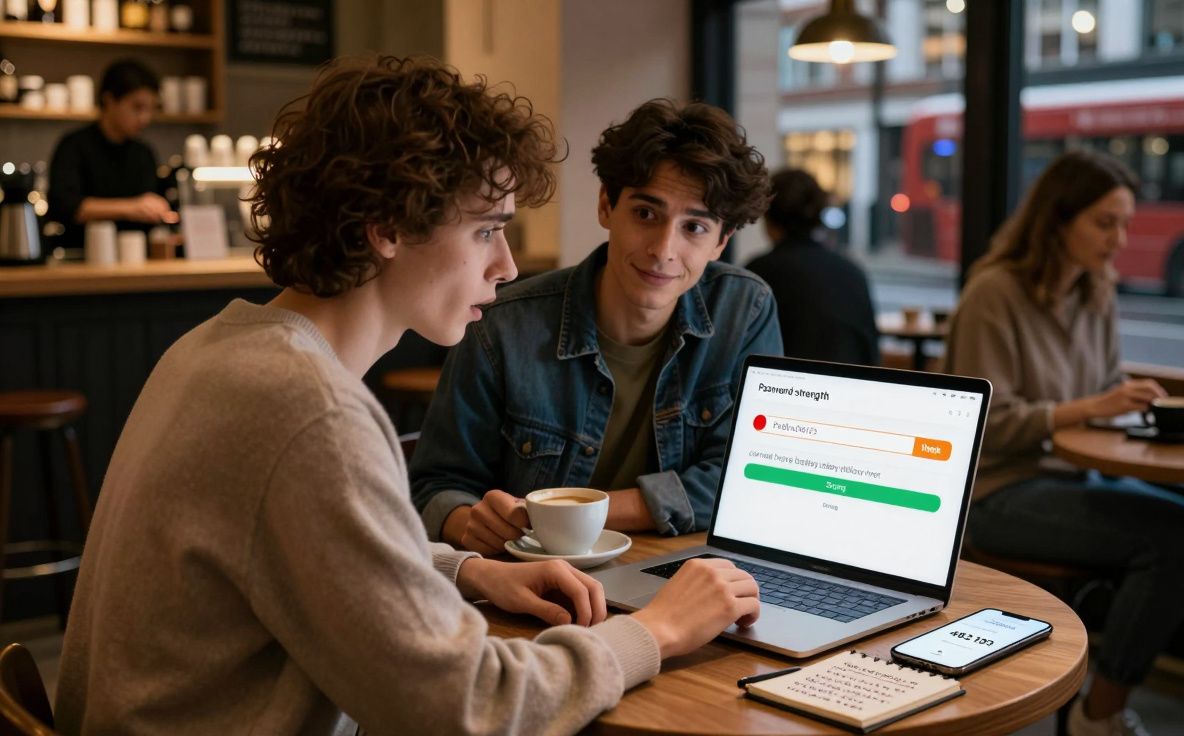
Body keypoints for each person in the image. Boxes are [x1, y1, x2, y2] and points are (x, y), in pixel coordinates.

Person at [56, 56, 760, 736]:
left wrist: (472, 573)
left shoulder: (221, 348)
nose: (507, 264)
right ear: (388, 228)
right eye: (487, 229)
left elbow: (321, 557)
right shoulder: (311, 412)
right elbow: (467, 710)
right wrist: (654, 630)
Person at [410, 99, 781, 554]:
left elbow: (749, 475)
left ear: (721, 242)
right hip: (532, 579)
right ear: (607, 206)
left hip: (678, 568)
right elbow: (436, 485)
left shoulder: (744, 309)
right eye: (646, 214)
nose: (664, 249)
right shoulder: (502, 325)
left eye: (694, 228)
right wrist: (464, 521)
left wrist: (574, 512)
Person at [944, 150, 1184, 736]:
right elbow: (983, 423)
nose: (1120, 239)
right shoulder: (995, 293)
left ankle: (1098, 700)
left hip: (1068, 476)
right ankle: (1100, 713)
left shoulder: (1096, 291)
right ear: (1057, 220)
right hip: (997, 490)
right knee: (1175, 534)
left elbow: (1105, 387)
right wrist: (1093, 408)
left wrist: (1132, 408)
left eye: (1125, 223)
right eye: (1105, 222)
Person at [746, 168, 880, 365]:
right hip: (853, 390)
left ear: (768, 217)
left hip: (785, 391)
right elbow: (870, 352)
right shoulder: (852, 272)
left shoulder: (757, 274)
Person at [46, 59, 176, 254]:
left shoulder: (144, 153)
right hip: (78, 256)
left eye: (151, 109)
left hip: (136, 256)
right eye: (137, 107)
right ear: (109, 101)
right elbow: (66, 206)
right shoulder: (74, 145)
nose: (145, 118)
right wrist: (132, 207)